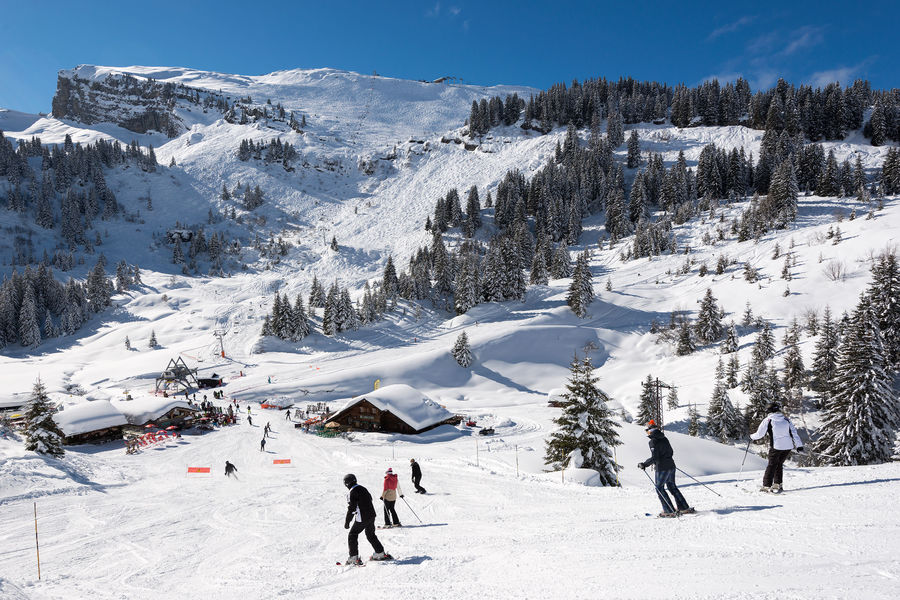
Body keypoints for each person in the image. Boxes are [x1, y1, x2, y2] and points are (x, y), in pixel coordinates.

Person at [638, 421, 694, 517]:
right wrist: (667, 460)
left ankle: (669, 510)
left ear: (650, 430)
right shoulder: (664, 438)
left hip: (662, 468)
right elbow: (671, 451)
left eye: (646, 430)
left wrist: (644, 464)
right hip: (671, 465)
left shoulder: (653, 441)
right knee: (672, 487)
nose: (646, 433)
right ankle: (684, 507)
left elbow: (655, 457)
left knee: (659, 488)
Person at [750, 402, 803, 493]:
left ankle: (766, 486)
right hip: (787, 447)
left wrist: (751, 436)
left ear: (769, 410)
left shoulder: (768, 420)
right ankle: (777, 484)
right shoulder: (786, 419)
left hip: (776, 446)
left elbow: (760, 434)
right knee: (778, 464)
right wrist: (799, 446)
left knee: (772, 465)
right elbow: (794, 433)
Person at [343, 474, 390, 565]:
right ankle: (379, 553)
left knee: (352, 534)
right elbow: (370, 499)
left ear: (347, 484)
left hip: (362, 517)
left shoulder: (352, 492)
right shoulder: (363, 488)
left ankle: (353, 557)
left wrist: (347, 521)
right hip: (371, 515)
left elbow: (352, 508)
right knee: (370, 534)